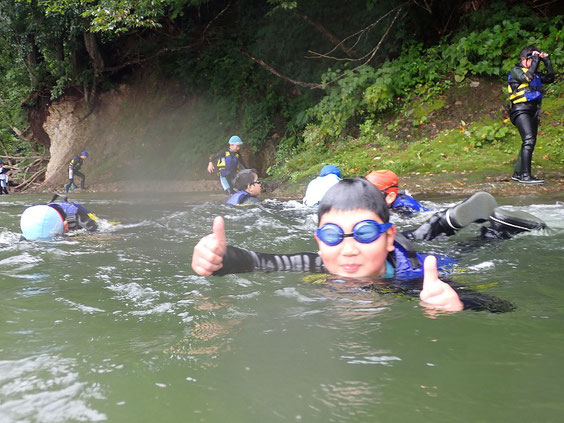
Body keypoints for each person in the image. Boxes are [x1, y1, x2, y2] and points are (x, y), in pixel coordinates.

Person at [192, 178, 514, 313]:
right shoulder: (322, 262)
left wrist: (460, 304)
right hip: (393, 240)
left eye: (363, 232)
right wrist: (221, 259)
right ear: (319, 242)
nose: (347, 249)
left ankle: (496, 233)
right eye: (332, 235)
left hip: (412, 255)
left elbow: (501, 306)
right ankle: (446, 221)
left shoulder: (416, 279)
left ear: (385, 236)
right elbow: (261, 262)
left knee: (465, 251)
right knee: (418, 233)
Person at [364, 170, 546, 241]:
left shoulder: (403, 208)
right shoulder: (396, 201)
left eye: (371, 194)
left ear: (390, 197)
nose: (366, 198)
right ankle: (479, 225)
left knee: (418, 237)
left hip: (424, 216)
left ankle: (446, 220)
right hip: (431, 212)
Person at [507, 45, 555, 184]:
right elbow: (527, 78)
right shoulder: (516, 71)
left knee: (529, 142)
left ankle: (518, 173)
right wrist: (534, 59)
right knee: (529, 140)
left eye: (536, 61)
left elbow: (550, 78)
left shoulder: (535, 74)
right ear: (523, 59)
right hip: (520, 110)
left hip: (533, 110)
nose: (535, 63)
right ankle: (525, 176)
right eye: (532, 60)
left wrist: (547, 62)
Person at [20, 194, 98, 241]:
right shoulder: (30, 220)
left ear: (65, 225)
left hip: (78, 214)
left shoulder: (81, 219)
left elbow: (100, 236)